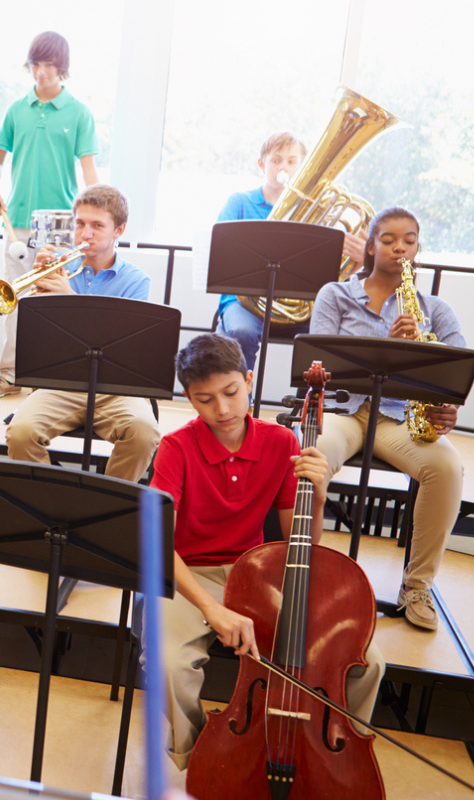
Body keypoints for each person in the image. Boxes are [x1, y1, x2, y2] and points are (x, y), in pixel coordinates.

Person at [148, 333, 384, 770]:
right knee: (166, 662)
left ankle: (338, 756)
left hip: (256, 574)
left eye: (231, 392)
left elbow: (303, 542)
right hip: (187, 574)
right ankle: (206, 754)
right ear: (189, 398)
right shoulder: (176, 447)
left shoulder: (280, 442)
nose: (221, 409)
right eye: (204, 399)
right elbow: (156, 544)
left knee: (366, 661)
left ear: (249, 379)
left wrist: (316, 493)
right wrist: (210, 609)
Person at [310, 206, 464, 631]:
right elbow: (318, 364)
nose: (400, 247)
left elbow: (456, 372)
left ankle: (417, 587)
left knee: (448, 466)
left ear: (418, 248)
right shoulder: (335, 295)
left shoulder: (435, 309)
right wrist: (387, 346)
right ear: (370, 245)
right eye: (389, 239)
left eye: (409, 240)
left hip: (398, 419)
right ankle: (300, 572)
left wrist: (447, 405)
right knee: (314, 454)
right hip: (344, 408)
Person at [4, 185, 160, 482]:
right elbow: (41, 338)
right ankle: (51, 509)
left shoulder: (136, 281)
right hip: (62, 381)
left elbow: (120, 345)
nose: (85, 234)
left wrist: (68, 296)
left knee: (144, 433)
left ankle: (108, 506)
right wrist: (42, 297)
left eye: (97, 225)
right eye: (80, 224)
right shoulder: (58, 268)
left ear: (119, 230)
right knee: (20, 432)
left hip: (115, 387)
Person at [0, 30, 99, 400]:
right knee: (13, 299)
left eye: (49, 65)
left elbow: (89, 170)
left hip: (62, 225)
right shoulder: (17, 110)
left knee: (52, 302)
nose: (42, 72)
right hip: (16, 221)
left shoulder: (79, 113)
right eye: (36, 64)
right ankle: (10, 375)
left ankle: (50, 383)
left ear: (61, 67)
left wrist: (96, 213)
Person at [214, 131, 365, 371]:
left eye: (292, 161)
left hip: (298, 308)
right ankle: (242, 406)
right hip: (245, 303)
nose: (283, 166)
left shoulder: (320, 212)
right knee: (240, 331)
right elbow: (220, 252)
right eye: (275, 160)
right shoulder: (239, 202)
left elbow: (327, 277)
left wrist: (357, 263)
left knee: (327, 337)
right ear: (262, 165)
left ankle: (305, 406)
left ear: (303, 167)